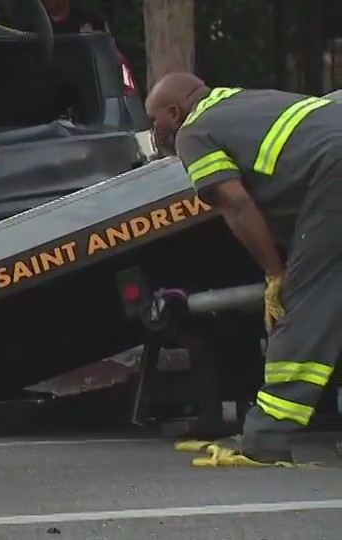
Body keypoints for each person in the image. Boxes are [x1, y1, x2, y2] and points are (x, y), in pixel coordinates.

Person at [145, 72, 340, 467]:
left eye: (154, 120)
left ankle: (266, 435)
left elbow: (234, 204)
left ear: (174, 111)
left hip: (334, 173)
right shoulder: (242, 100)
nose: (153, 129)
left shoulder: (194, 130)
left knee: (305, 305)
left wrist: (275, 274)